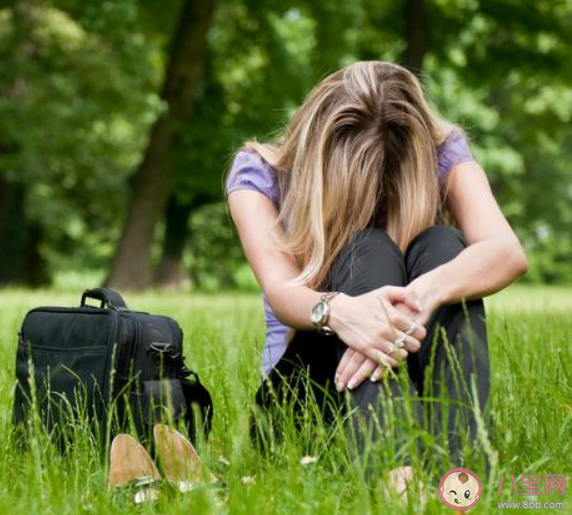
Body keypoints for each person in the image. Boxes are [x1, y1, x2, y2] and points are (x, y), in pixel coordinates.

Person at [224, 60, 528, 497]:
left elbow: (506, 252)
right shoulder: (259, 172)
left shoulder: (444, 152)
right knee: (366, 248)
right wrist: (342, 312)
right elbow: (282, 290)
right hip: (308, 402)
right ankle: (395, 474)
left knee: (444, 246)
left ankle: (458, 469)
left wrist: (425, 293)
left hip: (417, 391)